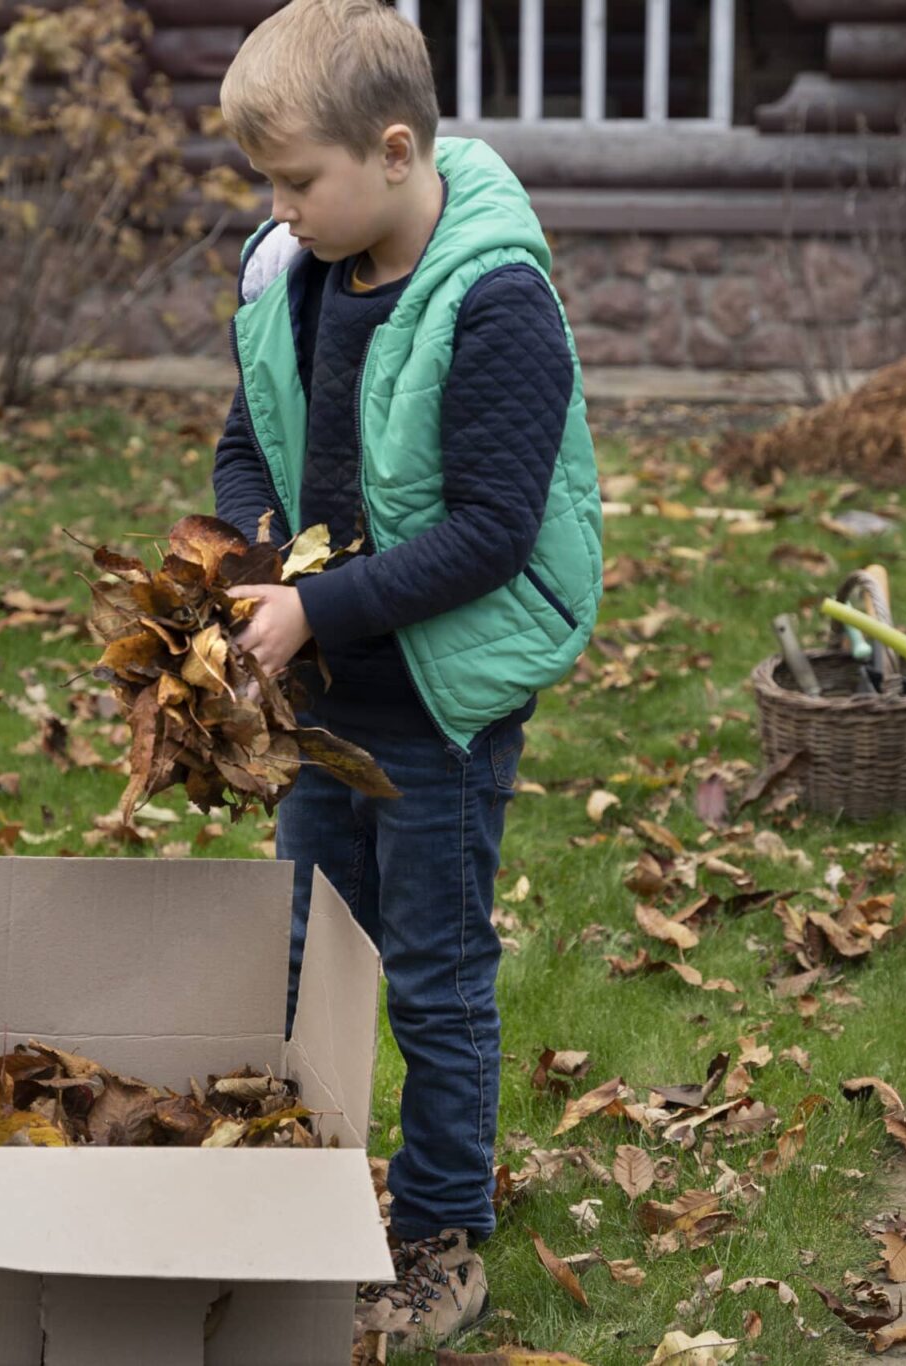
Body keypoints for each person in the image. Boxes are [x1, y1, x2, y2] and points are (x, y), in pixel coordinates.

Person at [212, 0, 602, 1348]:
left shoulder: (498, 301)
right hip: (330, 698)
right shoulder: (301, 271)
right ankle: (304, 1178)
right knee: (310, 941)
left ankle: (441, 1226)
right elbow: (246, 442)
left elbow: (492, 534)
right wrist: (263, 557)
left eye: (296, 180)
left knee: (433, 966)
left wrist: (314, 607)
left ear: (391, 151)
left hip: (438, 700)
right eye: (267, 181)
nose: (278, 208)